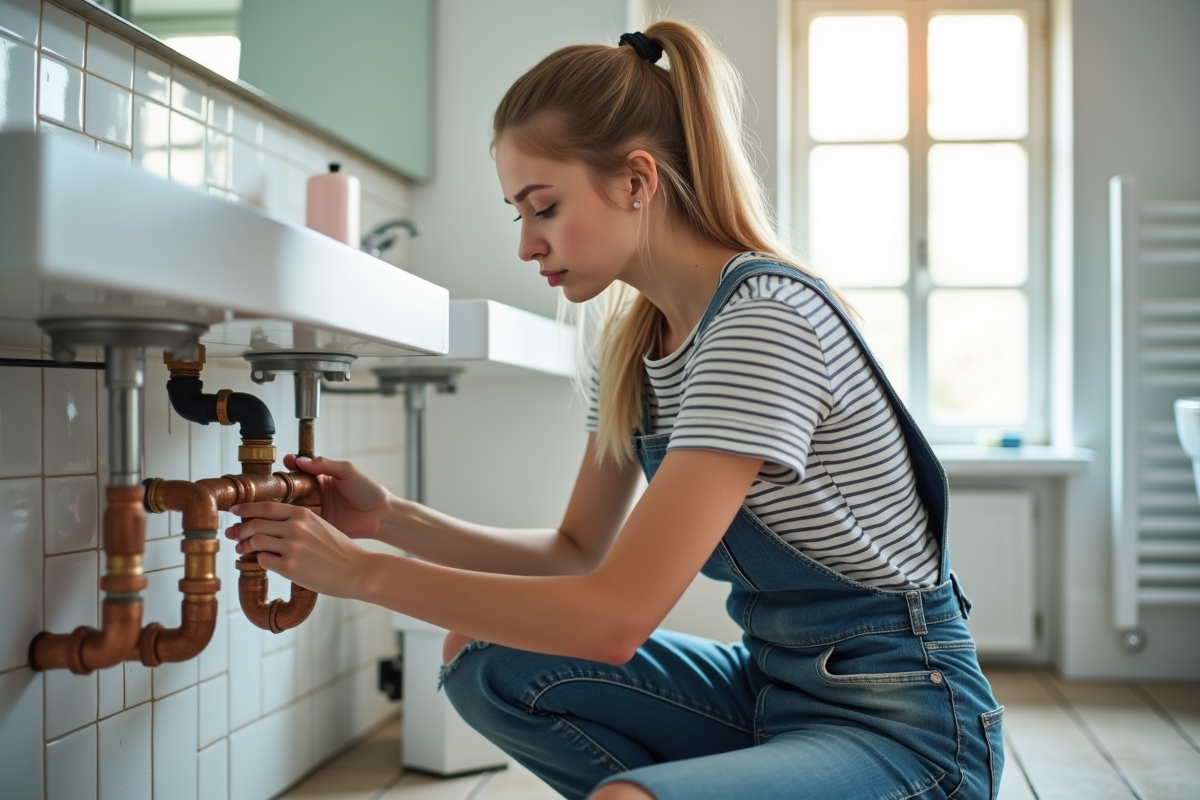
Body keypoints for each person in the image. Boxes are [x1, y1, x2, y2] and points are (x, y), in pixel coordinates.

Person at [227, 20, 1004, 800]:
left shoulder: (765, 318)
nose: (527, 245)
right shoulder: (634, 344)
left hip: (907, 723)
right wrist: (390, 520)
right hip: (774, 690)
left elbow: (612, 619)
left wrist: (362, 574)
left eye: (544, 206)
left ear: (636, 180)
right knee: (484, 658)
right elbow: (575, 551)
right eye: (517, 214)